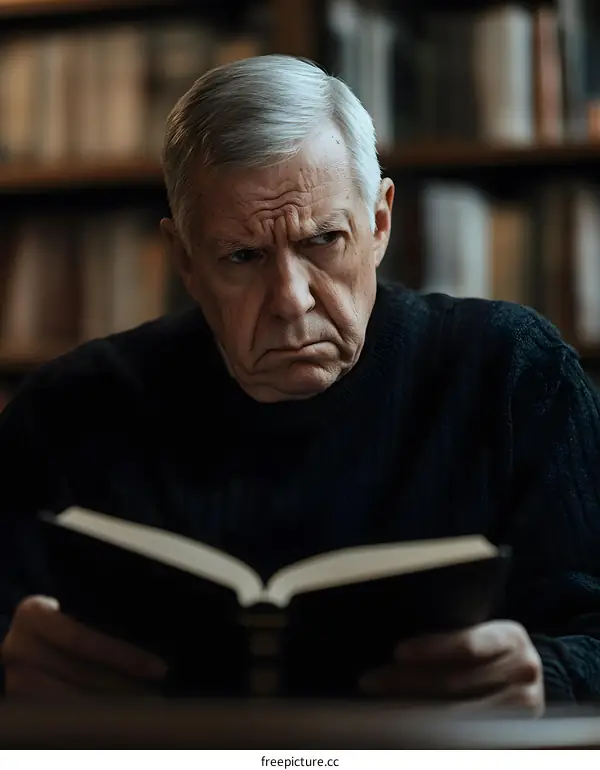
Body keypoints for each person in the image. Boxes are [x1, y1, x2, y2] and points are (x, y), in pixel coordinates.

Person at [1, 55, 599, 711]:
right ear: (186, 260)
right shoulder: (69, 411)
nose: (291, 300)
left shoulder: (513, 373)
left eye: (322, 241)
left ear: (379, 223)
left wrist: (547, 677)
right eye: (243, 255)